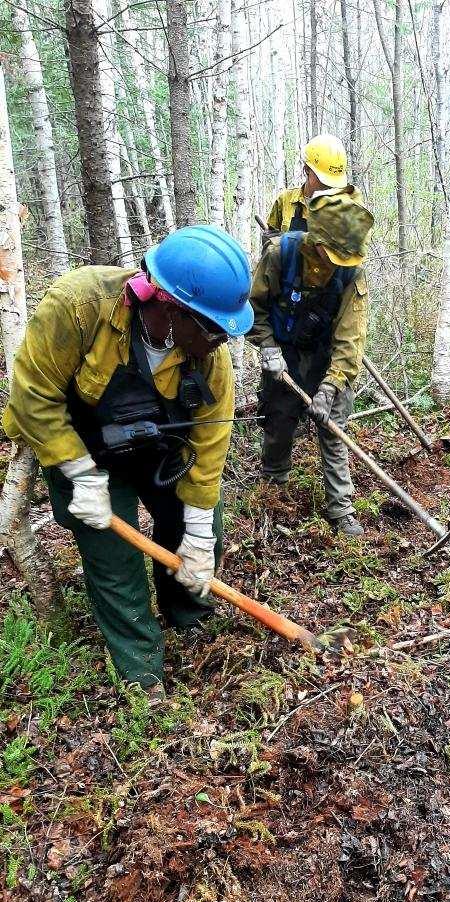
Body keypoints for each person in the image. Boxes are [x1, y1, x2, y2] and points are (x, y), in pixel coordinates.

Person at [2, 225, 253, 701]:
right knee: (114, 557)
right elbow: (32, 396)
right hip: (82, 450)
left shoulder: (209, 358)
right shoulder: (80, 306)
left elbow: (210, 443)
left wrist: (200, 534)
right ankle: (141, 671)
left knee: (197, 525)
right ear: (172, 308)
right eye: (215, 328)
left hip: (160, 450)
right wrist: (80, 475)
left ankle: (191, 620)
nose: (223, 340)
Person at [251, 193, 374, 536]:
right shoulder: (280, 254)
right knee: (279, 419)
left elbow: (350, 340)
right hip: (284, 350)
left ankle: (341, 507)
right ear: (317, 243)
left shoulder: (352, 274)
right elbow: (253, 308)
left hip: (328, 356)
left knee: (333, 427)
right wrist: (268, 348)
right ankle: (273, 486)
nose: (338, 264)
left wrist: (331, 386)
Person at [266, 133, 363, 234]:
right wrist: (274, 241)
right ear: (307, 169)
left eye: (333, 182)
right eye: (324, 180)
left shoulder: (346, 206)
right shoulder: (285, 200)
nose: (328, 187)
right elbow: (269, 237)